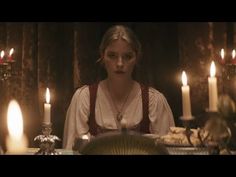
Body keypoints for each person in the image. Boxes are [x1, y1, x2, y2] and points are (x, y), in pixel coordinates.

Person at [63, 25, 175, 149]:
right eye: (112, 55)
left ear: (136, 58)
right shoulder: (84, 99)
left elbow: (167, 150)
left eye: (127, 56)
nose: (120, 63)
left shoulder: (154, 102)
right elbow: (71, 150)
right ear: (102, 56)